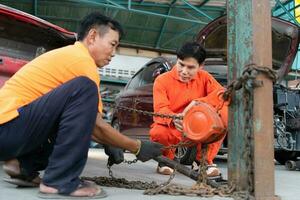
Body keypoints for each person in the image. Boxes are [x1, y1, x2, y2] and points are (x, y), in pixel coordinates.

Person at [0, 12, 162, 198]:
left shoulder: (70, 55)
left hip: (8, 131)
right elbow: (95, 126)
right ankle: (61, 181)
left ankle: (23, 166)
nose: (113, 53)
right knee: (84, 88)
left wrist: (111, 141)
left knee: (66, 112)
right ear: (92, 36)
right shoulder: (82, 62)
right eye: (112, 44)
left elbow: (87, 122)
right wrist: (137, 146)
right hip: (8, 129)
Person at [149, 42, 227, 176]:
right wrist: (174, 118)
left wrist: (198, 102)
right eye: (181, 64)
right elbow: (160, 108)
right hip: (175, 127)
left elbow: (222, 95)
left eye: (190, 67)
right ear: (177, 60)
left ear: (201, 66)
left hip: (200, 127)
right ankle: (166, 160)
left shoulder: (205, 77)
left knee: (225, 112)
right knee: (158, 132)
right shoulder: (162, 80)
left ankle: (204, 160)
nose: (184, 71)